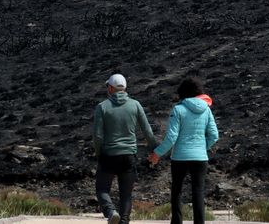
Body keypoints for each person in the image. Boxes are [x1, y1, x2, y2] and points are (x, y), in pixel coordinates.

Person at [148, 77, 220, 224]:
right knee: (198, 192)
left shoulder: (178, 109)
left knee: (177, 191)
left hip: (180, 158)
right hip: (200, 158)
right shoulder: (206, 109)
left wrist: (157, 153)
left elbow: (171, 138)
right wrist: (201, 148)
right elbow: (214, 135)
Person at [94, 73, 159, 224]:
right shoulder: (135, 105)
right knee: (126, 195)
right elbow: (147, 131)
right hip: (129, 155)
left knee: (102, 189)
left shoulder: (102, 107)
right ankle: (123, 221)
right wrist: (155, 150)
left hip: (109, 155)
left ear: (110, 88)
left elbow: (97, 136)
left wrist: (99, 154)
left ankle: (110, 212)